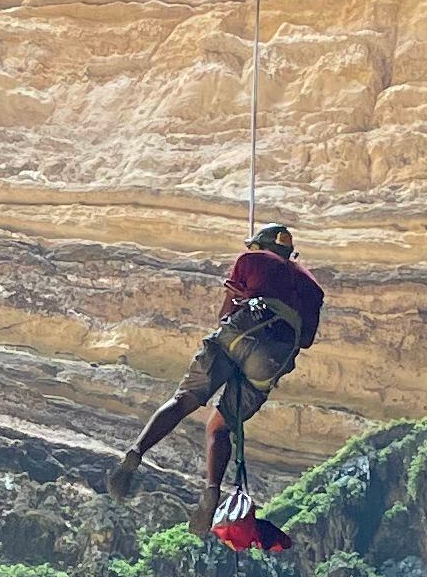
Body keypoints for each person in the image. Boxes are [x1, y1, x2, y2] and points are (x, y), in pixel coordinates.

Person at [106, 221, 326, 530]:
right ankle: (211, 492)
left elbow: (225, 315)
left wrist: (242, 302)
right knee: (219, 426)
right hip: (274, 358)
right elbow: (306, 340)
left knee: (185, 400)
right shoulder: (312, 287)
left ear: (262, 245)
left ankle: (135, 454)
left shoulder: (252, 259)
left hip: (242, 332)